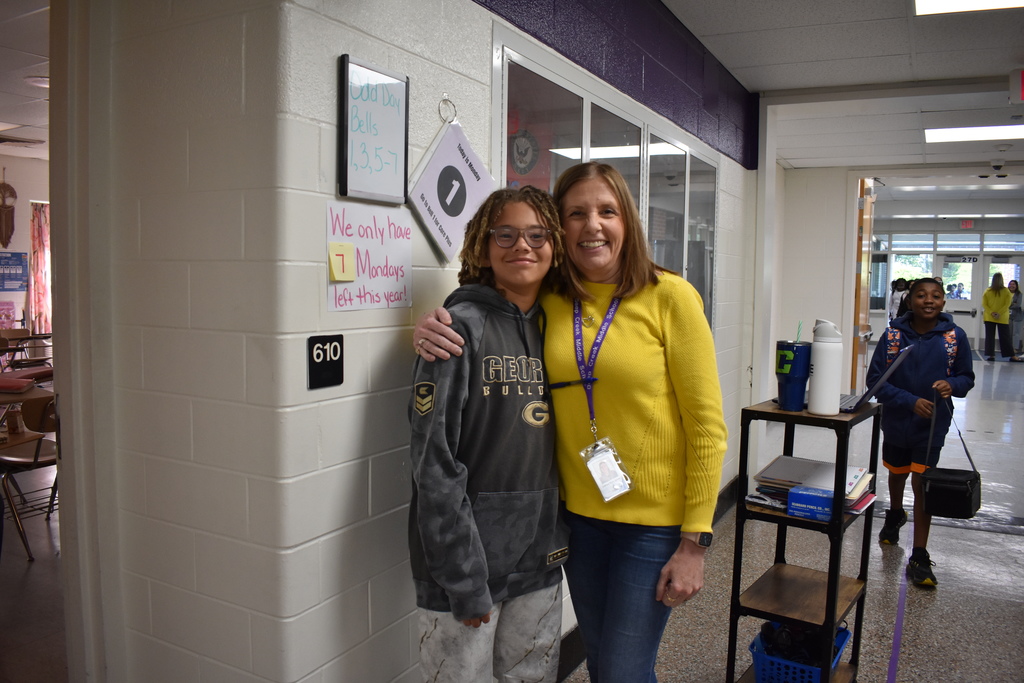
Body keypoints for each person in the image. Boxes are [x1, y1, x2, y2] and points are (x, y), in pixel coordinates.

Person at [414, 162, 728, 682]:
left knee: (624, 671)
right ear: (564, 230)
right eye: (576, 213)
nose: (593, 225)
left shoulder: (670, 296)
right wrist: (433, 326)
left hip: (652, 526)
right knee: (603, 663)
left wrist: (696, 542)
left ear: (627, 219)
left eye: (607, 210)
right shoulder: (554, 300)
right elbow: (492, 302)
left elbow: (707, 428)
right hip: (578, 521)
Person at [408, 186, 571, 682]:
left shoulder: (562, 328)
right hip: (467, 568)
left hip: (540, 560)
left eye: (537, 234)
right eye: (506, 234)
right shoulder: (458, 328)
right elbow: (433, 463)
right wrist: (463, 578)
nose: (522, 245)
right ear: (483, 246)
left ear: (554, 246)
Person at [870, 277, 975, 587]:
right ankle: (895, 514)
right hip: (896, 422)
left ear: (943, 301)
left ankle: (919, 553)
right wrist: (909, 401)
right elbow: (875, 381)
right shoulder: (892, 336)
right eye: (921, 295)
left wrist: (951, 385)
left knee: (922, 484)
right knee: (897, 473)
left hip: (931, 426)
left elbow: (966, 378)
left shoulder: (955, 337)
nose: (929, 300)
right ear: (909, 300)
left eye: (936, 296)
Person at [981, 272, 1023, 362]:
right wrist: (999, 313)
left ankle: (991, 355)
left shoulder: (987, 291)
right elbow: (1007, 304)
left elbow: (984, 304)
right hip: (1002, 317)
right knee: (1005, 337)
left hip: (989, 317)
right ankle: (1012, 355)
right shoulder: (1006, 291)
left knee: (990, 337)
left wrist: (992, 312)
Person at [1009, 279, 1023, 355]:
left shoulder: (1019, 294)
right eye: (1010, 284)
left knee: (1016, 333)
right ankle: (1009, 347)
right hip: (1008, 316)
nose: (1012, 286)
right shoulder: (1006, 294)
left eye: (1013, 284)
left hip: (1018, 316)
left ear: (1016, 286)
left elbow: (1017, 304)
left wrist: (1010, 305)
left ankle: (1015, 348)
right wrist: (1012, 304)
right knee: (1009, 332)